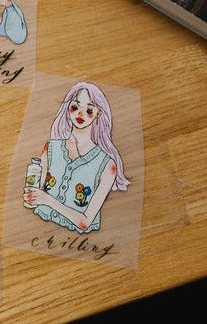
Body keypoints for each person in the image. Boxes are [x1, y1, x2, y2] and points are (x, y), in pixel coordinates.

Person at [23, 81, 129, 233]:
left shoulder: (107, 165)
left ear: (99, 113)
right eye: (75, 107)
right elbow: (36, 197)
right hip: (37, 232)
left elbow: (85, 222)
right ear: (68, 108)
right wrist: (33, 197)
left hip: (78, 240)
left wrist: (47, 200)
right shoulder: (51, 148)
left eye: (89, 110)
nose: (80, 114)